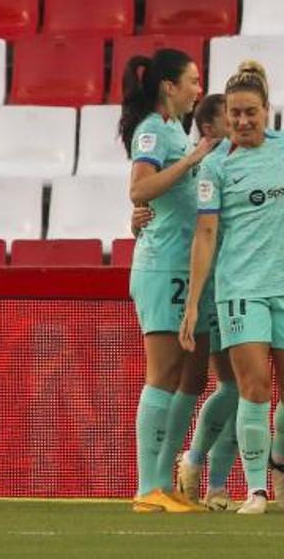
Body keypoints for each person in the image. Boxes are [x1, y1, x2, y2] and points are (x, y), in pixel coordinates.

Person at [180, 61, 284, 515]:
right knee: (254, 388)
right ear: (226, 116)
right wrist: (191, 305)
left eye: (251, 112)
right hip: (240, 287)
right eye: (236, 113)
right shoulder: (216, 166)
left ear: (267, 110)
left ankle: (278, 463)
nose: (243, 121)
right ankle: (256, 489)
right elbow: (205, 235)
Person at [119, 48, 215, 513]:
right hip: (162, 265)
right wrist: (195, 156)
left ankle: (164, 481)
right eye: (193, 81)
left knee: (190, 375)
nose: (199, 89)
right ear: (168, 87)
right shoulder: (153, 132)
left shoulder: (173, 129)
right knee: (162, 374)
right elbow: (139, 188)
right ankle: (147, 486)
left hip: (185, 264)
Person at [164, 94, 245, 511]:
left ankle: (214, 483)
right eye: (231, 119)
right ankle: (192, 464)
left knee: (243, 389)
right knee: (233, 386)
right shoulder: (206, 171)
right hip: (212, 284)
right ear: (211, 130)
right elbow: (194, 227)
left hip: (247, 281)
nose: (241, 124)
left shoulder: (245, 162)